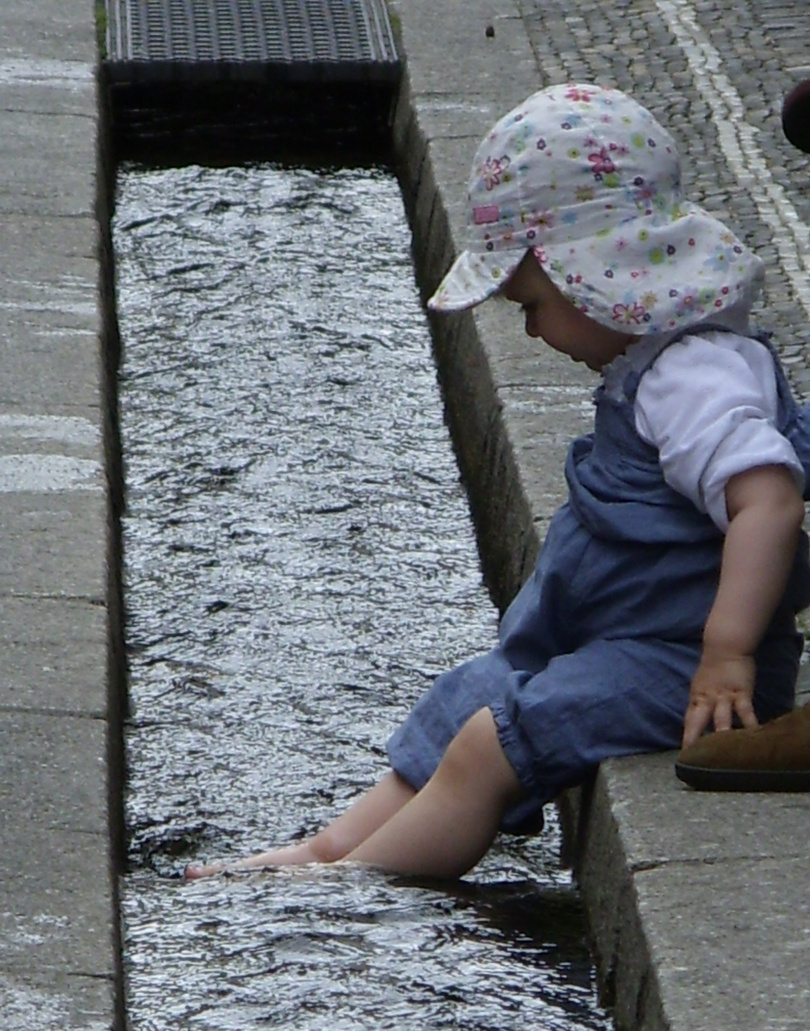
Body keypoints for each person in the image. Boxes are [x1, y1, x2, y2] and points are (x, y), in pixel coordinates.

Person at [186, 83, 810, 882]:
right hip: (614, 636)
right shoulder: (654, 361)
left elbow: (769, 501)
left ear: (594, 275)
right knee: (470, 696)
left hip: (676, 664)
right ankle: (328, 848)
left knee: (491, 741)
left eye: (532, 302)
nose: (532, 328)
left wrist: (726, 656)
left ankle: (348, 889)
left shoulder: (695, 377)